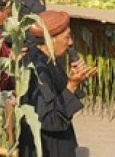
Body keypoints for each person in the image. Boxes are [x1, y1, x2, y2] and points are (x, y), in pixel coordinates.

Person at [19, 11, 96, 157]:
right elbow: (50, 120)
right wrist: (72, 85)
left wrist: (75, 80)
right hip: (48, 148)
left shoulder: (49, 61)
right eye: (67, 37)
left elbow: (60, 95)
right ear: (51, 40)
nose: (70, 43)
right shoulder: (38, 71)